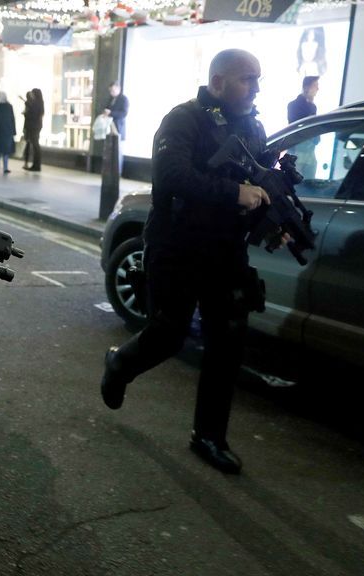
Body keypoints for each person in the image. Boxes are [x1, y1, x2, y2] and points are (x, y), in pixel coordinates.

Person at [99, 49, 273, 475]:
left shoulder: (253, 125)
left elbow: (262, 183)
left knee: (227, 343)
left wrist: (273, 220)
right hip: (177, 245)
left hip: (226, 251)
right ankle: (120, 363)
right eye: (247, 79)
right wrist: (235, 194)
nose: (255, 88)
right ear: (217, 83)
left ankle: (208, 436)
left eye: (258, 79)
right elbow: (172, 176)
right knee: (169, 333)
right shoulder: (184, 119)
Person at [22, 88, 44, 172]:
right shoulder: (40, 103)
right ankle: (36, 164)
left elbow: (31, 115)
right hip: (36, 126)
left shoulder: (36, 104)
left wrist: (26, 114)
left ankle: (36, 165)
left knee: (35, 145)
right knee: (35, 145)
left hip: (33, 127)